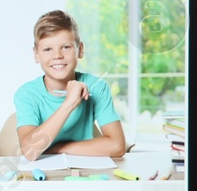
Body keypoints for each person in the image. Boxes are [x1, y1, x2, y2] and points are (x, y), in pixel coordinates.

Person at [13, 9, 126, 161]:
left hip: (86, 168)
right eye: (47, 49)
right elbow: (29, 151)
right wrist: (69, 103)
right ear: (36, 55)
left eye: (66, 47)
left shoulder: (97, 87)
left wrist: (59, 148)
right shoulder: (26, 94)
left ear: (80, 49)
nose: (57, 56)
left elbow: (117, 146)